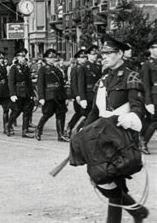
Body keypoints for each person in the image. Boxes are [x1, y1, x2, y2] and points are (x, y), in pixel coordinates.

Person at [80, 34, 149, 222]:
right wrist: (83, 132)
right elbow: (95, 112)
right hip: (101, 136)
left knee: (107, 177)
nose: (104, 56)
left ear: (119, 54)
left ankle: (125, 216)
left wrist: (131, 117)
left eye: (108, 52)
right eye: (103, 53)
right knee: (100, 178)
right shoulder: (103, 80)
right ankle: (137, 211)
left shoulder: (131, 77)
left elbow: (137, 108)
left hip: (121, 137)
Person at [35, 48, 69, 142]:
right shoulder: (43, 69)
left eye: (54, 57)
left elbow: (62, 84)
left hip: (59, 95)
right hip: (49, 95)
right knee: (47, 114)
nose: (53, 59)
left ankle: (61, 135)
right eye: (50, 57)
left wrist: (65, 97)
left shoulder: (58, 69)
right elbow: (40, 84)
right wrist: (41, 97)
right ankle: (38, 129)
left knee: (61, 114)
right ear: (46, 58)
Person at [6, 48, 34, 137]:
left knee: (26, 111)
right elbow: (11, 82)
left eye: (24, 56)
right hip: (18, 92)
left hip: (26, 92)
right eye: (21, 56)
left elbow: (29, 82)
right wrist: (12, 94)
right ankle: (8, 126)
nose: (23, 58)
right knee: (16, 111)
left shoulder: (26, 68)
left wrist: (32, 93)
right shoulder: (14, 68)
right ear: (17, 57)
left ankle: (24, 131)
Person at [140, 37, 157, 155]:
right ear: (151, 49)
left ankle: (140, 140)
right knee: (154, 121)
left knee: (150, 121)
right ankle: (143, 142)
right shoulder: (147, 65)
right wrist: (148, 101)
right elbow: (145, 84)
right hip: (154, 96)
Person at [65, 49, 87, 137]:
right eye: (82, 57)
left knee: (82, 114)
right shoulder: (74, 69)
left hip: (85, 95)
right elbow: (74, 84)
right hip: (78, 96)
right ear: (77, 59)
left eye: (85, 57)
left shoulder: (85, 68)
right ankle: (71, 128)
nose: (84, 59)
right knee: (81, 113)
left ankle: (73, 128)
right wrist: (77, 95)